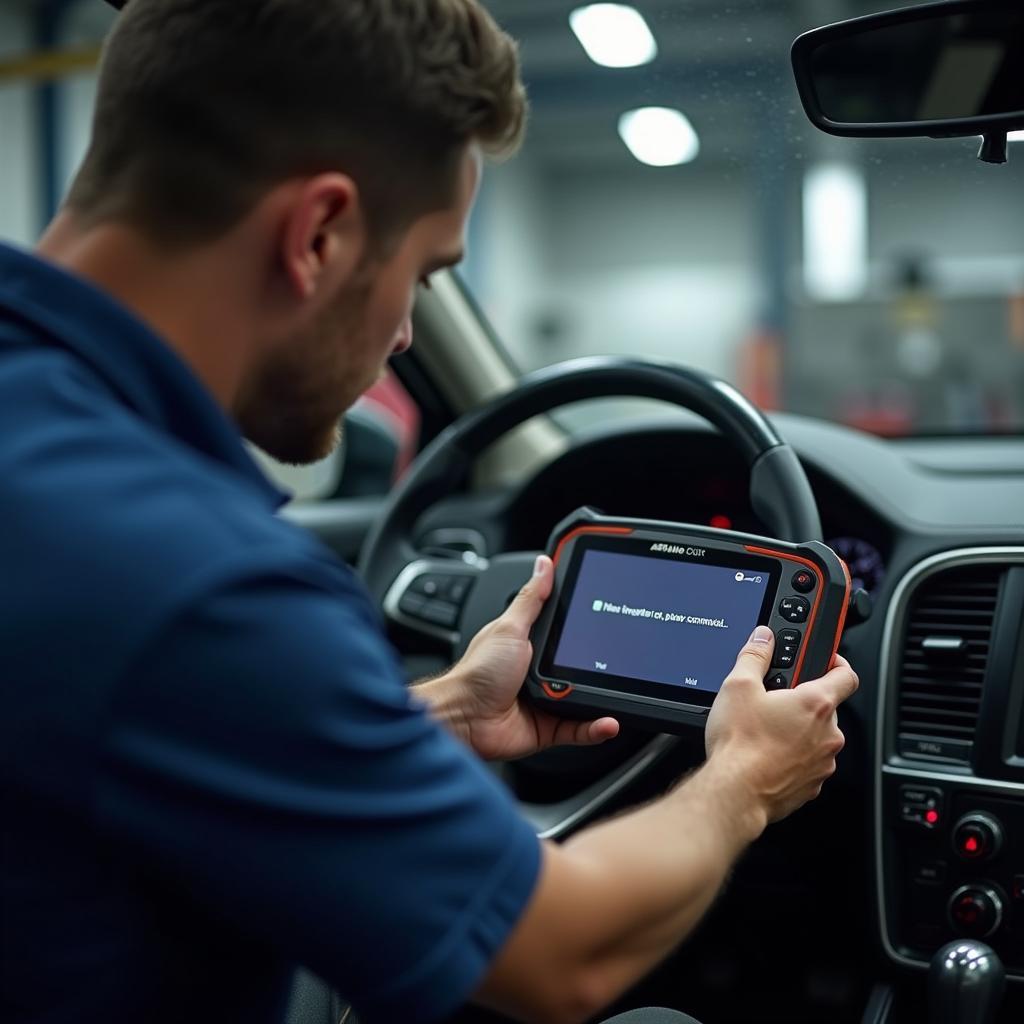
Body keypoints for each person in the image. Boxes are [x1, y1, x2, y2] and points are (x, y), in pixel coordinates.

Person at [0, 2, 858, 1023]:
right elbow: (559, 951)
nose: (408, 331)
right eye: (423, 273)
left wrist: (442, 712)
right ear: (318, 234)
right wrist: (750, 777)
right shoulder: (199, 583)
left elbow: (150, 730)